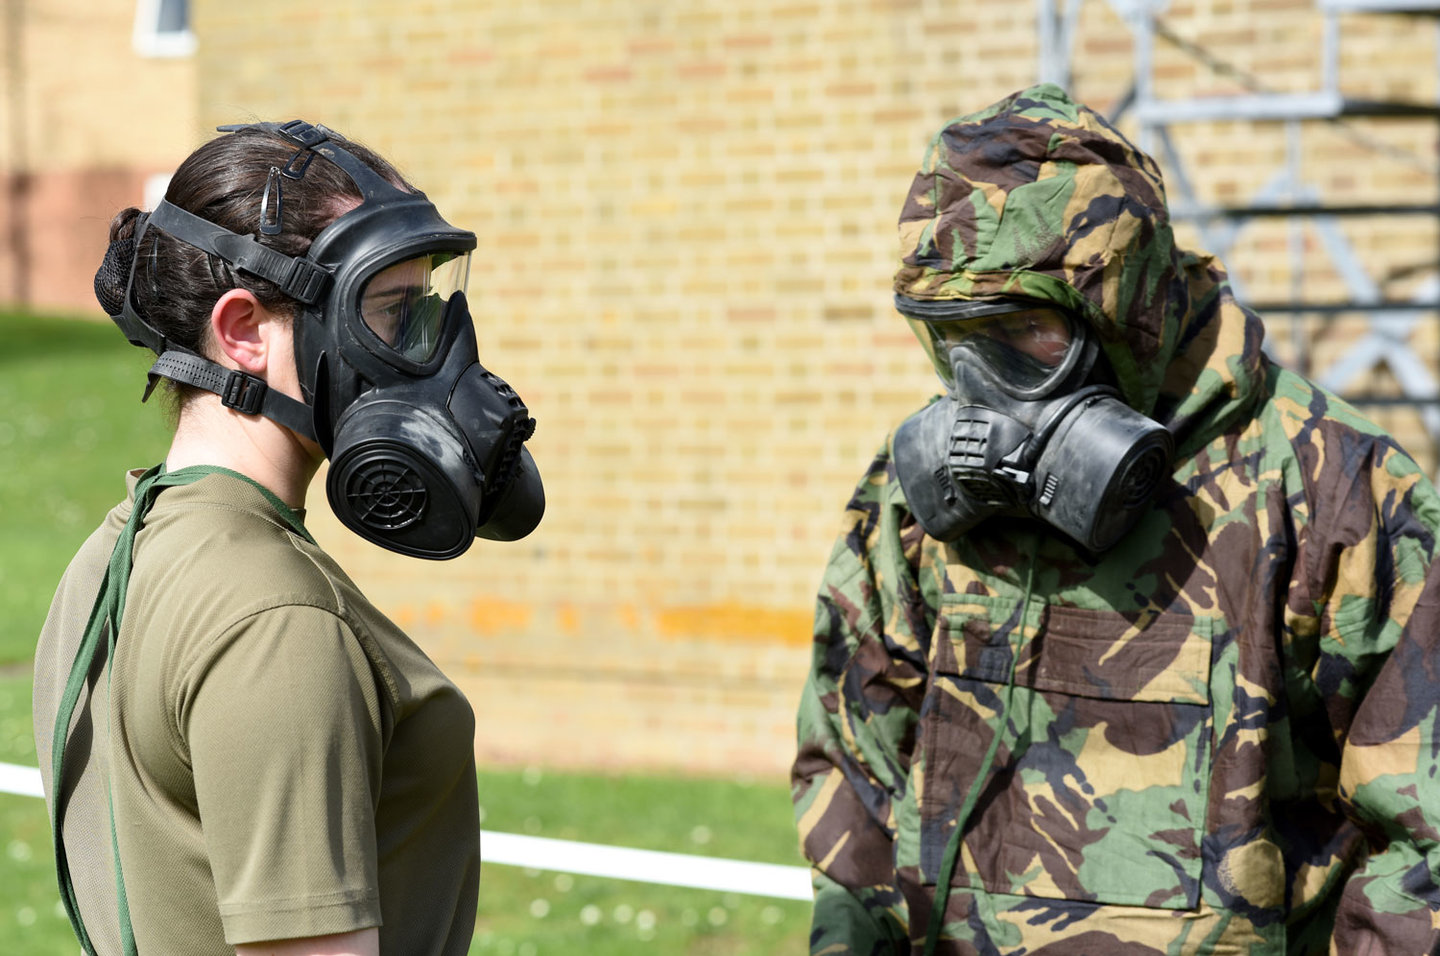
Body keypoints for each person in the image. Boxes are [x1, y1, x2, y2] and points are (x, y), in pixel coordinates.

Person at [791, 84, 1440, 954]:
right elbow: (853, 768)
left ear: (1125, 309)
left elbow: (1423, 841)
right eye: (957, 337)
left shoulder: (1336, 492)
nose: (984, 383)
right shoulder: (915, 505)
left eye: (1023, 328)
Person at [32, 120, 545, 956]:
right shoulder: (280, 622)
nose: (430, 354)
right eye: (388, 312)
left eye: (425, 309)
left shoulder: (112, 557)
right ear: (241, 331)